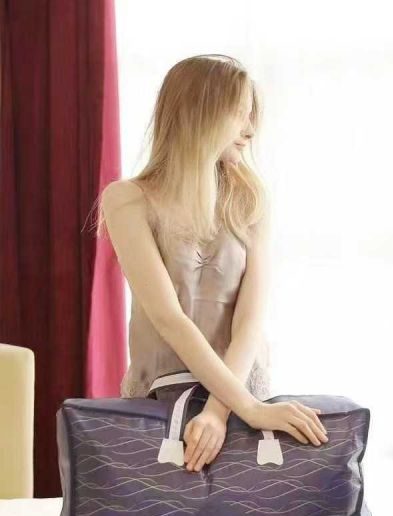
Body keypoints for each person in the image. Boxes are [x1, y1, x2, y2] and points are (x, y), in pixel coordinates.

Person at [96, 54, 328, 473]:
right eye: (241, 114)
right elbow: (168, 317)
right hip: (162, 391)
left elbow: (249, 321)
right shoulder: (128, 199)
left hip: (241, 387)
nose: (250, 130)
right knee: (160, 509)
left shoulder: (250, 199)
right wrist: (245, 409)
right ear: (201, 114)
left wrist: (224, 411)